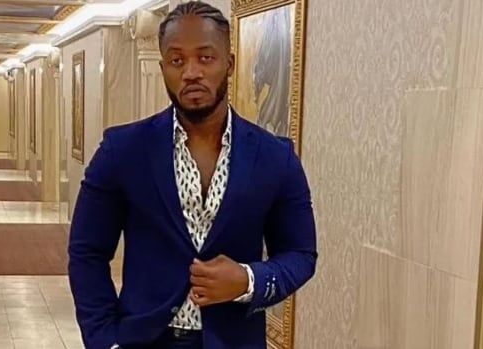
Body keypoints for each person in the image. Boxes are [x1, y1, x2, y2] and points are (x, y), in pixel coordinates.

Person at [68, 2, 317, 348]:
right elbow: (87, 253)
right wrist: (105, 339)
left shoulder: (276, 158)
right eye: (176, 60)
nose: (190, 72)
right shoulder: (121, 151)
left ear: (229, 64)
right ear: (163, 67)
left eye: (205, 58)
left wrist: (248, 279)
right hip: (144, 339)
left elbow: (301, 254)